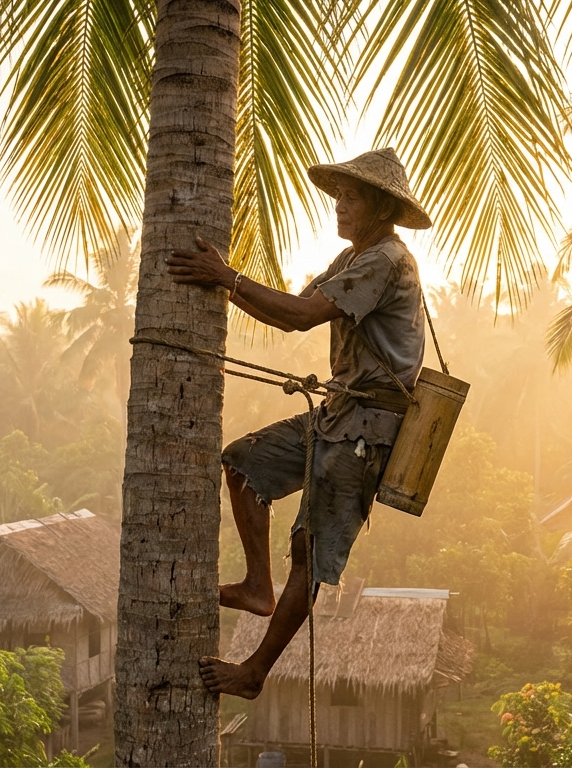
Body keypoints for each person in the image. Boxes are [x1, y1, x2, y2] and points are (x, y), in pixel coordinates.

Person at [165, 148, 431, 699]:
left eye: (350, 196)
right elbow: (292, 314)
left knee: (308, 551)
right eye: (338, 194)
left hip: (367, 430)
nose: (338, 205)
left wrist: (226, 277)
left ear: (380, 205)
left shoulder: (385, 260)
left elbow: (301, 316)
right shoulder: (355, 257)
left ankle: (254, 673)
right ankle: (257, 585)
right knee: (243, 463)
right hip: (337, 414)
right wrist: (224, 282)